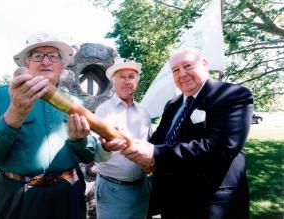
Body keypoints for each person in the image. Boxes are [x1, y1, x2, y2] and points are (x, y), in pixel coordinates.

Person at [0, 32, 99, 219]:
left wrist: (79, 141)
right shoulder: (2, 95)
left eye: (53, 56)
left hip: (69, 194)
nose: (45, 61)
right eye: (37, 55)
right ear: (27, 63)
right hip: (18, 198)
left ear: (61, 66)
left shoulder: (74, 102)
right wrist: (13, 116)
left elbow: (88, 154)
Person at [105, 48, 253, 219]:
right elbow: (158, 140)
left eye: (187, 66)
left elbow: (221, 147)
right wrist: (126, 144)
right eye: (175, 70)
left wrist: (154, 154)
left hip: (211, 205)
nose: (182, 74)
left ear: (205, 65)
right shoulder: (173, 104)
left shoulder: (232, 95)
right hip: (174, 203)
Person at [93, 58, 152, 219]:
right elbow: (95, 152)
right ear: (113, 82)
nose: (127, 81)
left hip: (141, 189)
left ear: (137, 81)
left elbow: (150, 146)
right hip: (112, 190)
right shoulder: (102, 111)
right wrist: (106, 147)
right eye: (122, 77)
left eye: (131, 76)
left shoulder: (144, 113)